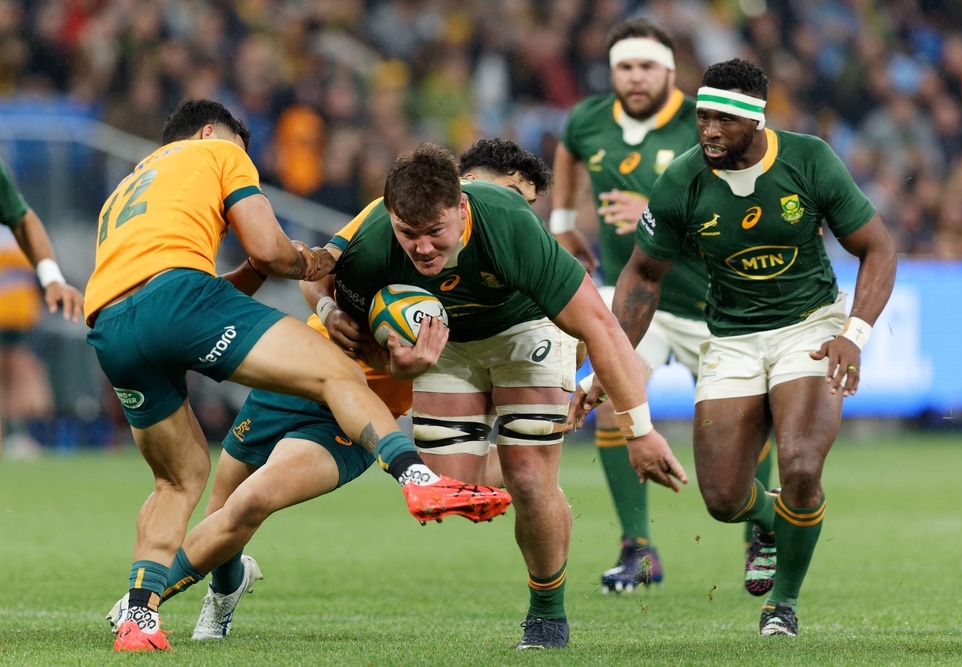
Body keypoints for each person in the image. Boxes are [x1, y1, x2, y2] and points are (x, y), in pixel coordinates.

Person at [85, 99, 509, 653]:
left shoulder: (128, 187)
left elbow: (198, 292)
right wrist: (302, 263)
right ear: (213, 131)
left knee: (180, 477)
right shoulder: (218, 150)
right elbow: (267, 250)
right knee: (337, 372)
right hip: (183, 297)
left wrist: (264, 270)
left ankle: (140, 616)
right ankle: (414, 477)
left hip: (111, 323)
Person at [304, 142, 688, 650]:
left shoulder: (508, 221)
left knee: (530, 480)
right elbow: (321, 281)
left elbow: (602, 327)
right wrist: (340, 319)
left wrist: (639, 431)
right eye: (409, 234)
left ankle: (546, 613)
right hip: (448, 341)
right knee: (447, 490)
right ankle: (534, 471)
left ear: (461, 207)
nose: (421, 248)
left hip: (526, 327)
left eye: (435, 233)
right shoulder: (375, 239)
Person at [573, 59, 896, 636]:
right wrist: (613, 362)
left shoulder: (809, 159)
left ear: (756, 120)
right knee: (722, 499)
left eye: (723, 119)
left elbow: (878, 248)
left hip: (810, 326)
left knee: (799, 464)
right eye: (702, 118)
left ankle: (784, 606)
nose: (709, 131)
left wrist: (853, 332)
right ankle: (774, 520)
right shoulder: (682, 178)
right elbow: (643, 275)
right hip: (731, 336)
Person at [551, 17, 775, 595]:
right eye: (624, 66)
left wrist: (656, 211)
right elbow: (570, 154)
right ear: (612, 72)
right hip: (642, 304)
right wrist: (564, 224)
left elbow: (743, 201)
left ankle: (761, 535)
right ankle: (637, 548)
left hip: (716, 303)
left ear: (671, 72)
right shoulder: (588, 119)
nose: (635, 77)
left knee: (748, 424)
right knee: (610, 399)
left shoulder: (705, 122)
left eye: (647, 66)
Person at [0, 158, 84, 458]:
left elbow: (26, 222)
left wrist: (52, 282)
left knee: (18, 373)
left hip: (17, 317)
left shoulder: (14, 225)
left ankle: (15, 436)